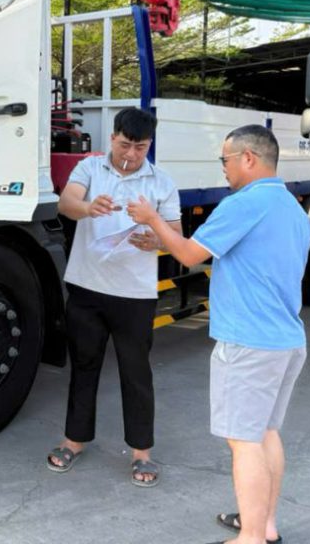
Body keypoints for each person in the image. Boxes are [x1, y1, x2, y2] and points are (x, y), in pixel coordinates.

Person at [127, 124, 310, 544]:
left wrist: (153, 218)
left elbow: (191, 255)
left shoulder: (244, 204)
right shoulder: (291, 208)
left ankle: (250, 537)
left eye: (225, 161)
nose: (224, 170)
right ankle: (264, 524)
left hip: (248, 343)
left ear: (248, 158)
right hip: (286, 339)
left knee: (243, 441)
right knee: (265, 433)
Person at [46, 107, 182, 487]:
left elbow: (175, 234)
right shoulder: (90, 170)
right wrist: (88, 208)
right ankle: (73, 441)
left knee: (136, 372)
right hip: (87, 288)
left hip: (134, 294)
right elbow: (65, 203)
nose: (131, 154)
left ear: (149, 145)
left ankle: (142, 453)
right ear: (112, 138)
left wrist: (154, 237)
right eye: (125, 144)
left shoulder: (161, 182)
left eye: (140, 147)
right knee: (84, 366)